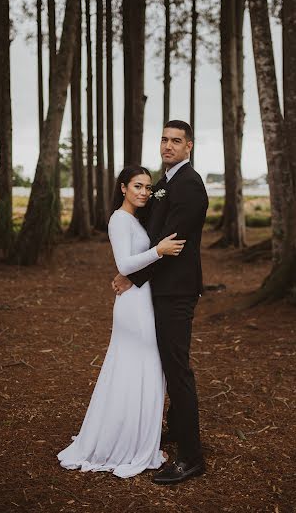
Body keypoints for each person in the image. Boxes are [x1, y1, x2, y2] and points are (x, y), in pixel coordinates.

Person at [57, 165, 186, 478]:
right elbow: (125, 263)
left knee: (141, 371)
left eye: (146, 187)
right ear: (123, 187)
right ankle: (126, 444)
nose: (143, 192)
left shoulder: (134, 219)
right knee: (140, 369)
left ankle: (137, 439)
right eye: (137, 186)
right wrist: (158, 250)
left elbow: (132, 268)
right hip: (133, 308)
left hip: (142, 300)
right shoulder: (118, 219)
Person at [112, 120, 209, 485]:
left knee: (177, 369)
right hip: (160, 288)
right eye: (164, 139)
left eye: (176, 141)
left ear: (189, 146)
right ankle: (174, 428)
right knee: (166, 365)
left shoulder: (190, 186)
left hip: (176, 291)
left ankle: (191, 457)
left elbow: (172, 243)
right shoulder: (166, 182)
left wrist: (131, 277)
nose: (168, 146)